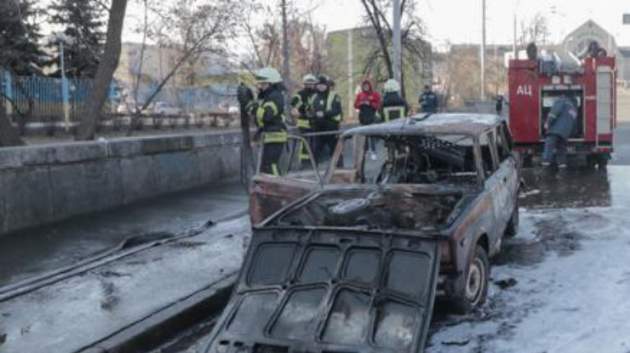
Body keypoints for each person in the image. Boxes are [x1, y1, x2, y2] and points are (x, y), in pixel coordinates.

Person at [252, 67, 287, 176]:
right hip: (269, 134)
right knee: (265, 166)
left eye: (263, 84)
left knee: (271, 165)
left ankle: (278, 187)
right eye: (260, 84)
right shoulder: (268, 96)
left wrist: (251, 107)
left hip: (275, 135)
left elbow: (267, 115)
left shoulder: (276, 96)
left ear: (271, 84)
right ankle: (268, 188)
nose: (260, 87)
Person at [309, 75, 343, 163]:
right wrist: (312, 115)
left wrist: (324, 113)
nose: (320, 86)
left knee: (334, 149)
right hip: (318, 127)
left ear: (326, 85)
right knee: (315, 150)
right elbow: (310, 110)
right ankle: (314, 171)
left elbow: (337, 110)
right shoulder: (314, 97)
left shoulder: (334, 95)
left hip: (331, 127)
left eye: (322, 85)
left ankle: (339, 169)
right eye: (318, 85)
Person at [542, 94, 578, 169]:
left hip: (555, 130)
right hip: (565, 133)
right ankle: (562, 166)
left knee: (549, 147)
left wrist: (547, 123)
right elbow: (574, 124)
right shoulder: (573, 109)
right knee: (561, 149)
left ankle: (545, 167)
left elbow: (553, 113)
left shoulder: (561, 101)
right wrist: (571, 134)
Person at [291, 74, 318, 165]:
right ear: (304, 84)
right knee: (305, 143)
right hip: (304, 122)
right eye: (307, 83)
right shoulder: (300, 94)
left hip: (315, 122)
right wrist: (303, 107)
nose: (310, 85)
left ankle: (315, 161)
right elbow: (293, 102)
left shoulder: (317, 94)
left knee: (316, 142)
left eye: (311, 83)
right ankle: (304, 163)